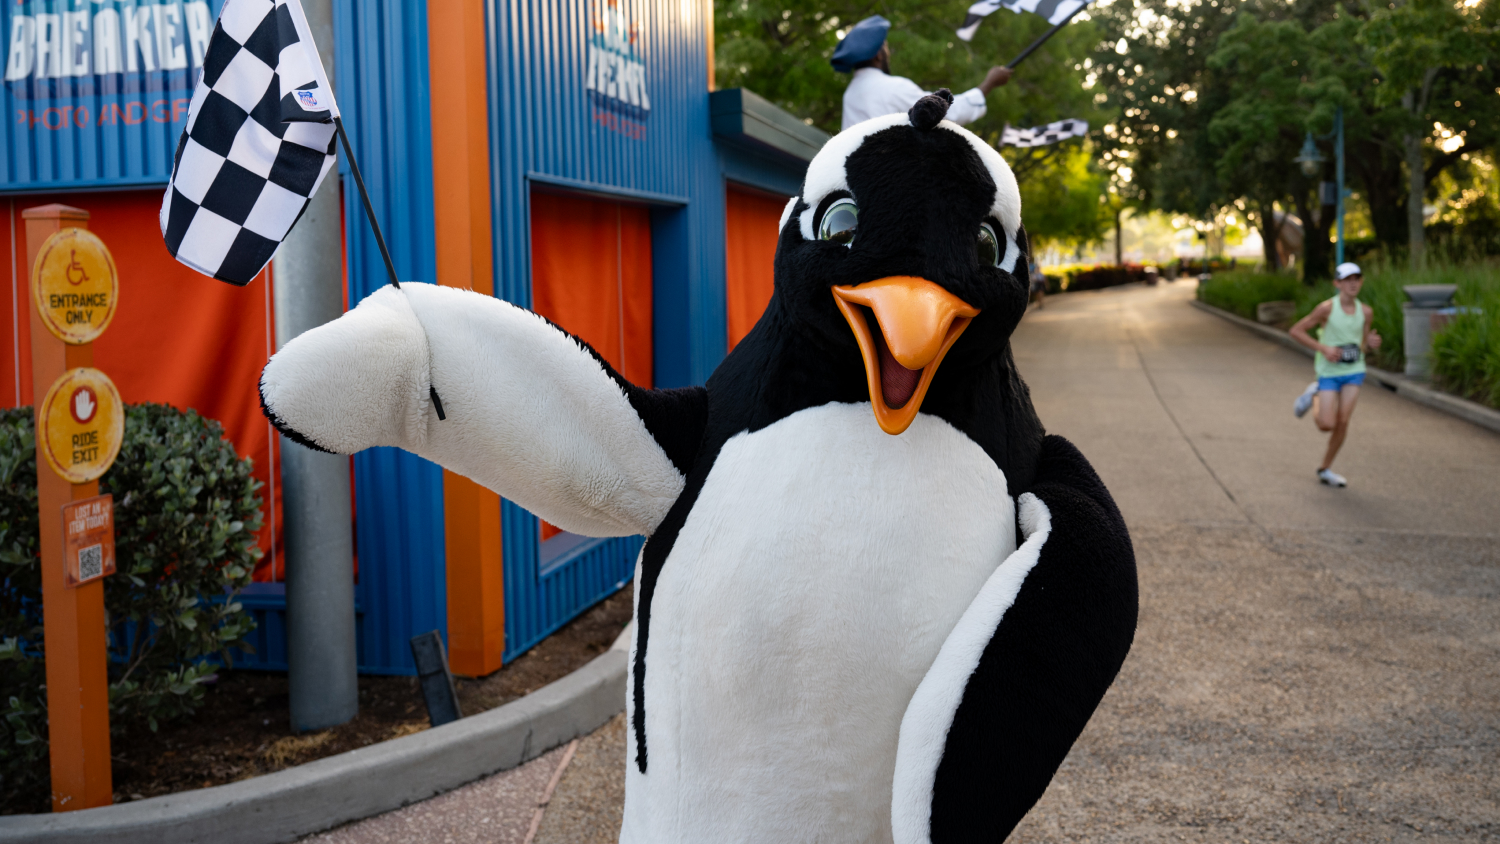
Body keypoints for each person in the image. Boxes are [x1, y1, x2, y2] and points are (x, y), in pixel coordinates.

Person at [1289, 262, 1382, 487]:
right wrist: (1324, 349)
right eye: (1347, 280)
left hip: (1354, 371)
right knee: (1326, 424)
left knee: (1342, 421)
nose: (1353, 284)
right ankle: (1315, 395)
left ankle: (1325, 468)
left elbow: (1363, 345)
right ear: (1337, 283)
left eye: (1356, 279)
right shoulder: (1326, 309)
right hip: (1329, 372)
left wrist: (1370, 344)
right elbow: (1296, 331)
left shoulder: (1366, 312)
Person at [832, 15, 1012, 131]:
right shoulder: (891, 88)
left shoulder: (851, 94)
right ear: (878, 55)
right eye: (886, 49)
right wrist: (988, 84)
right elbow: (945, 113)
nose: (888, 54)